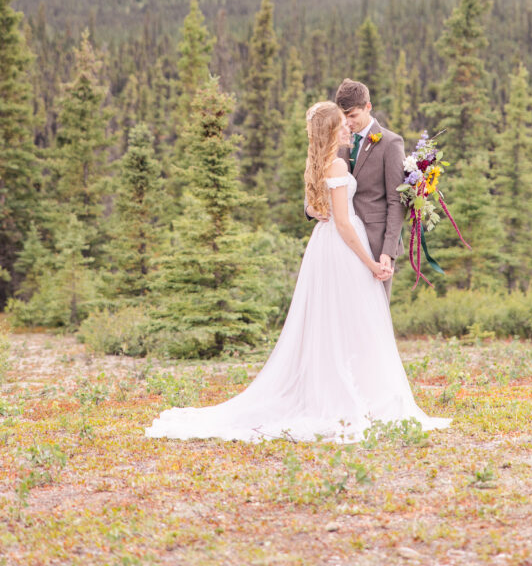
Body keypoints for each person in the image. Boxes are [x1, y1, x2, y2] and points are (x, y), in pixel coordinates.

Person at [144, 101, 451, 443]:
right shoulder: (335, 165)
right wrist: (370, 262)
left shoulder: (324, 162)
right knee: (349, 321)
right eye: (342, 124)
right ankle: (348, 397)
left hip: (331, 245)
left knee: (345, 322)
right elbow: (345, 224)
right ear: (333, 130)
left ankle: (355, 389)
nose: (348, 127)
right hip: (343, 248)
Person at [334, 78, 405, 300]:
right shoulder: (337, 141)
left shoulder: (390, 143)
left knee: (374, 314)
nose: (348, 122)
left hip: (376, 244)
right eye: (343, 117)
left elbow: (397, 201)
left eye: (353, 115)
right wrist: (310, 209)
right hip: (341, 240)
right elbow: (320, 179)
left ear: (368, 106)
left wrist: (388, 251)